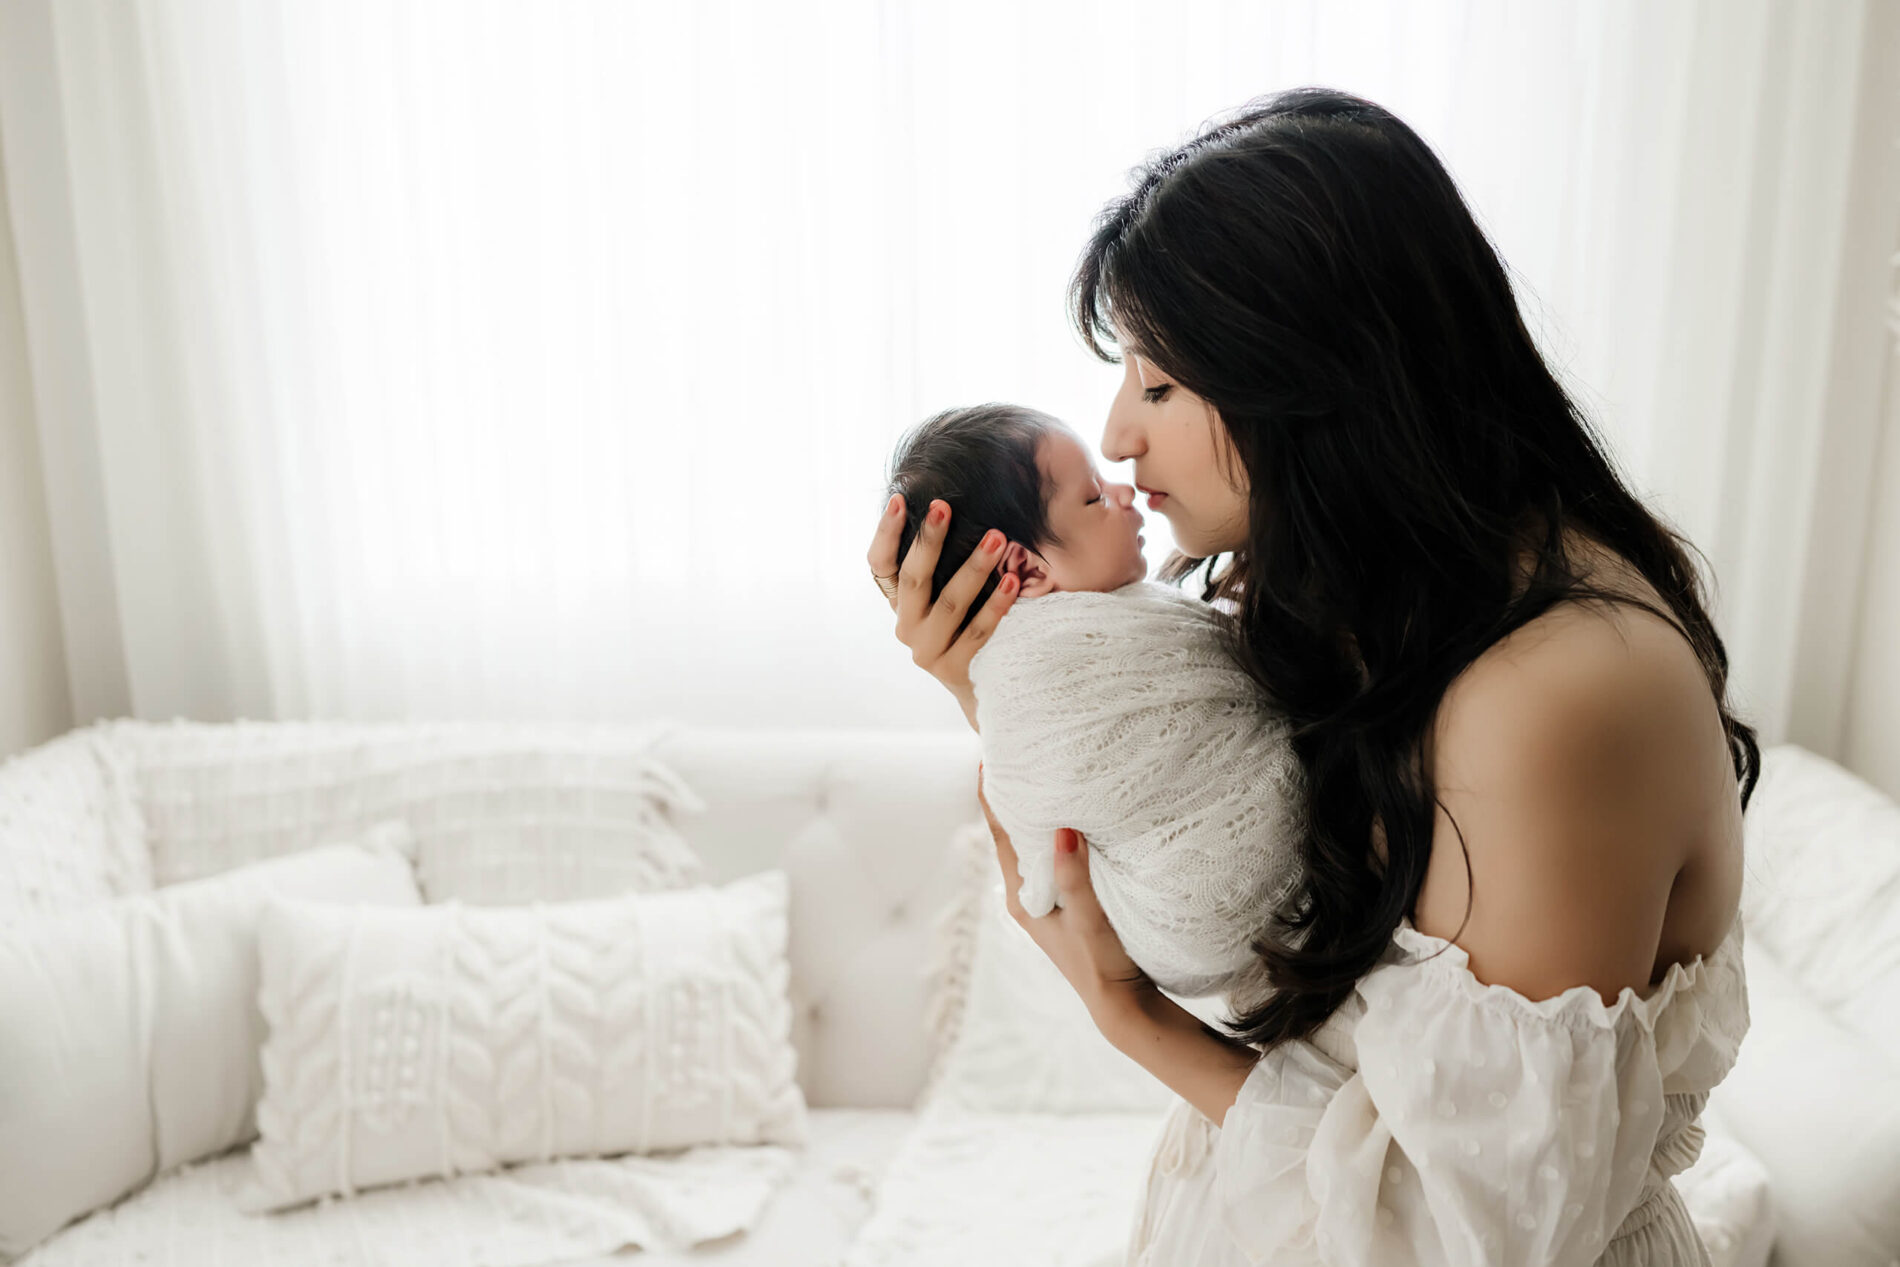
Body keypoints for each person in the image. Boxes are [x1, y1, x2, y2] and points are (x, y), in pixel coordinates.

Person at [865, 85, 1756, 1266]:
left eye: (1160, 382)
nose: (1120, 433)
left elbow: (1451, 1232)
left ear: (1319, 374)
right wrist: (1003, 675)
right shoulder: (1381, 595)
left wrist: (1123, 1012)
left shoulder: (1553, 694)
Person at [882, 402, 1305, 999]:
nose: (1124, 489)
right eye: (1093, 500)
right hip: (1190, 919)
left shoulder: (1125, 617)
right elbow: (1047, 786)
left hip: (1225, 949)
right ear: (1024, 573)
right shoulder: (1035, 667)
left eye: (1159, 387)